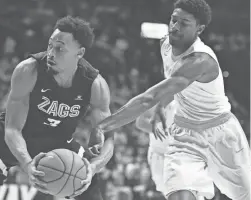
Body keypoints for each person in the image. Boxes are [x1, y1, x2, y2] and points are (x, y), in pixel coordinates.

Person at [88, 0, 251, 200]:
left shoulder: (200, 60)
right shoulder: (165, 43)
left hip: (220, 133)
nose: (175, 27)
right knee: (179, 195)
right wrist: (162, 106)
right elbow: (172, 86)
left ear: (199, 29)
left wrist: (103, 126)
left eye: (184, 23)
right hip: (184, 134)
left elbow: (149, 98)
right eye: (174, 20)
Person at [0, 16, 115, 200]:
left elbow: (109, 139)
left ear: (79, 53)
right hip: (12, 139)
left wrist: (93, 167)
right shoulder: (28, 70)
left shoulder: (95, 85)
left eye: (60, 49)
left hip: (59, 143)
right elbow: (12, 129)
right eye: (50, 45)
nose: (51, 53)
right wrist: (27, 163)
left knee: (89, 183)